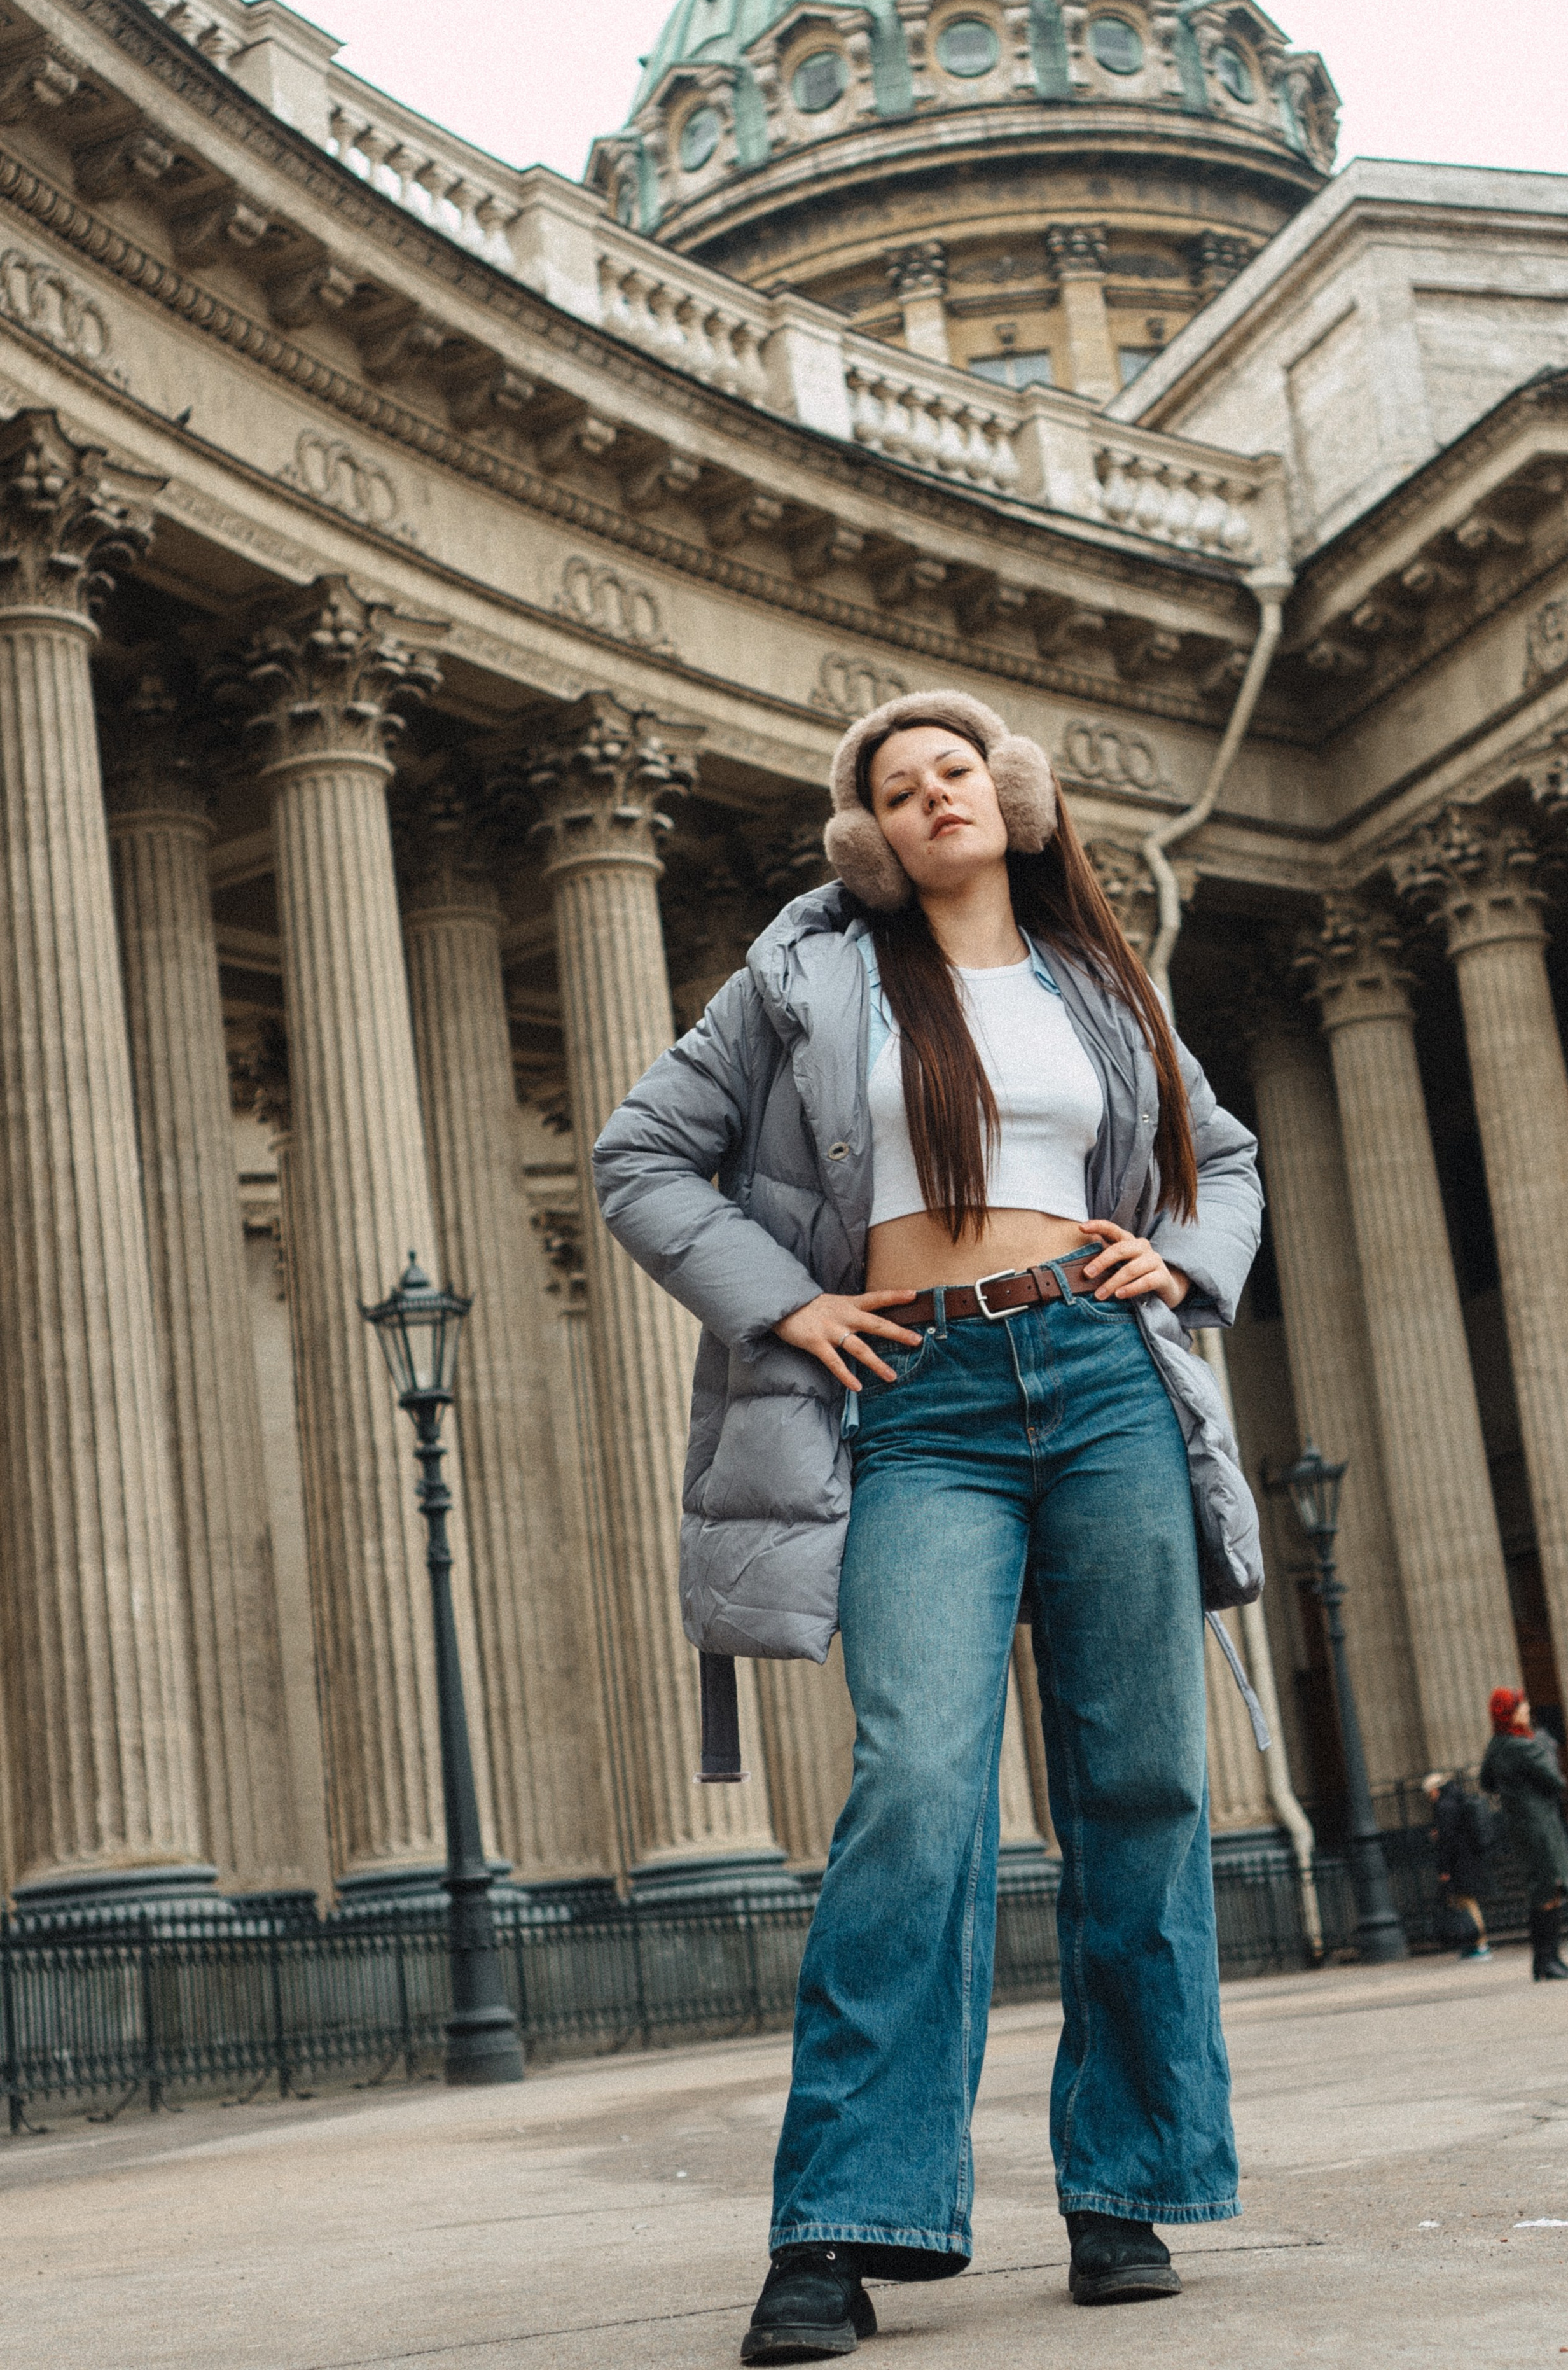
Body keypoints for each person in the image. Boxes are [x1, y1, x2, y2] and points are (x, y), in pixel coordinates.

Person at [594, 688, 1267, 2361]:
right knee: (914, 1784)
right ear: (872, 837)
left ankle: (1124, 2190)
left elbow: (1223, 1161)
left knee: (1144, 1780)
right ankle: (843, 2220)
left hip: (1104, 1376)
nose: (929, 799)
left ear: (1010, 797)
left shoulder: (1101, 986)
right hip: (921, 1400)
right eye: (896, 790)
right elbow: (642, 1158)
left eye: (953, 772)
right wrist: (787, 1306)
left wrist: (1176, 1261)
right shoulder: (806, 979)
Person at [1478, 1689, 1568, 1983]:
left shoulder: (1497, 1745)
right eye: (1522, 1706)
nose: (1527, 1710)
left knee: (1541, 1889)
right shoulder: (1524, 1746)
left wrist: (1514, 1791)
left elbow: (1487, 1782)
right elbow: (1555, 1780)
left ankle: (1545, 1961)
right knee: (1550, 1888)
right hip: (1541, 1824)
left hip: (1520, 1824)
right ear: (1510, 1713)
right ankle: (1549, 1960)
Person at [1421, 1772, 1494, 1958]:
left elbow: (1447, 1840)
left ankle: (1480, 1943)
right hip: (1466, 1858)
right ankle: (1473, 1942)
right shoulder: (1457, 1799)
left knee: (1467, 1902)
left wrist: (1444, 1869)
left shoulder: (1444, 1807)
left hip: (1458, 1861)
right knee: (1465, 1901)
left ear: (1435, 1791)